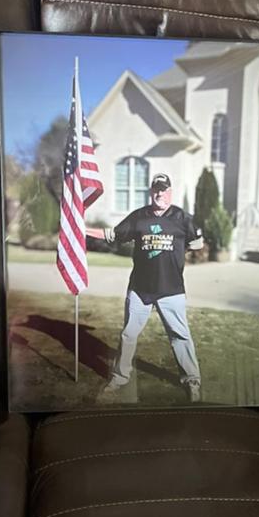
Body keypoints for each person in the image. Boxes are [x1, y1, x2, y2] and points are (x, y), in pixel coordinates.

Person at [86, 172, 204, 401]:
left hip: (171, 290)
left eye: (164, 189)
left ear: (170, 192)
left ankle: (192, 381)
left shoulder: (183, 218)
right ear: (151, 192)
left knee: (180, 335)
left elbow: (197, 243)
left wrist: (177, 254)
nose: (160, 193)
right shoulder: (138, 217)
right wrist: (82, 229)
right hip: (140, 290)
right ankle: (120, 377)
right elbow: (112, 235)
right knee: (128, 334)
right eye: (156, 189)